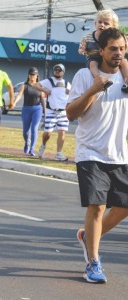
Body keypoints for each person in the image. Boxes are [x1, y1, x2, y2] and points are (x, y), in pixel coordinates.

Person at [66, 28, 128, 283]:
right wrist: (93, 89)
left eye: (122, 49)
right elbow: (71, 114)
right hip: (90, 152)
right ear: (101, 50)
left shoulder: (126, 78)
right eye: (113, 48)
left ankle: (88, 235)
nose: (118, 53)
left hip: (118, 154)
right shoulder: (84, 75)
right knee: (97, 205)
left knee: (124, 207)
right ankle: (93, 262)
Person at [78, 9, 128, 93]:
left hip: (110, 59)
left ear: (113, 27)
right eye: (100, 22)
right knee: (93, 64)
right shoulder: (88, 37)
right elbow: (81, 46)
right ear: (95, 23)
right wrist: (81, 50)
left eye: (106, 23)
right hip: (94, 57)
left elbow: (123, 43)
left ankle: (126, 79)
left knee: (124, 61)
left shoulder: (116, 38)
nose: (102, 25)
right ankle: (100, 80)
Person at [33, 63, 71, 161]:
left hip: (63, 112)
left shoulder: (67, 84)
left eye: (59, 70)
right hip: (51, 111)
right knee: (48, 133)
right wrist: (45, 90)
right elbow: (36, 85)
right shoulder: (49, 81)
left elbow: (73, 94)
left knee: (62, 132)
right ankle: (43, 145)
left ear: (63, 72)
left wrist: (69, 92)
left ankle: (59, 153)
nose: (57, 72)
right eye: (55, 70)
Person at [14, 67, 45, 156]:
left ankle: (32, 149)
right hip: (26, 109)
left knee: (34, 128)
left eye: (34, 75)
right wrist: (15, 102)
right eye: (31, 74)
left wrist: (45, 111)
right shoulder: (25, 85)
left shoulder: (40, 86)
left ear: (37, 76)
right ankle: (27, 142)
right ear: (28, 75)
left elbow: (42, 98)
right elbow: (19, 95)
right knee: (25, 132)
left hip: (37, 109)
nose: (32, 76)